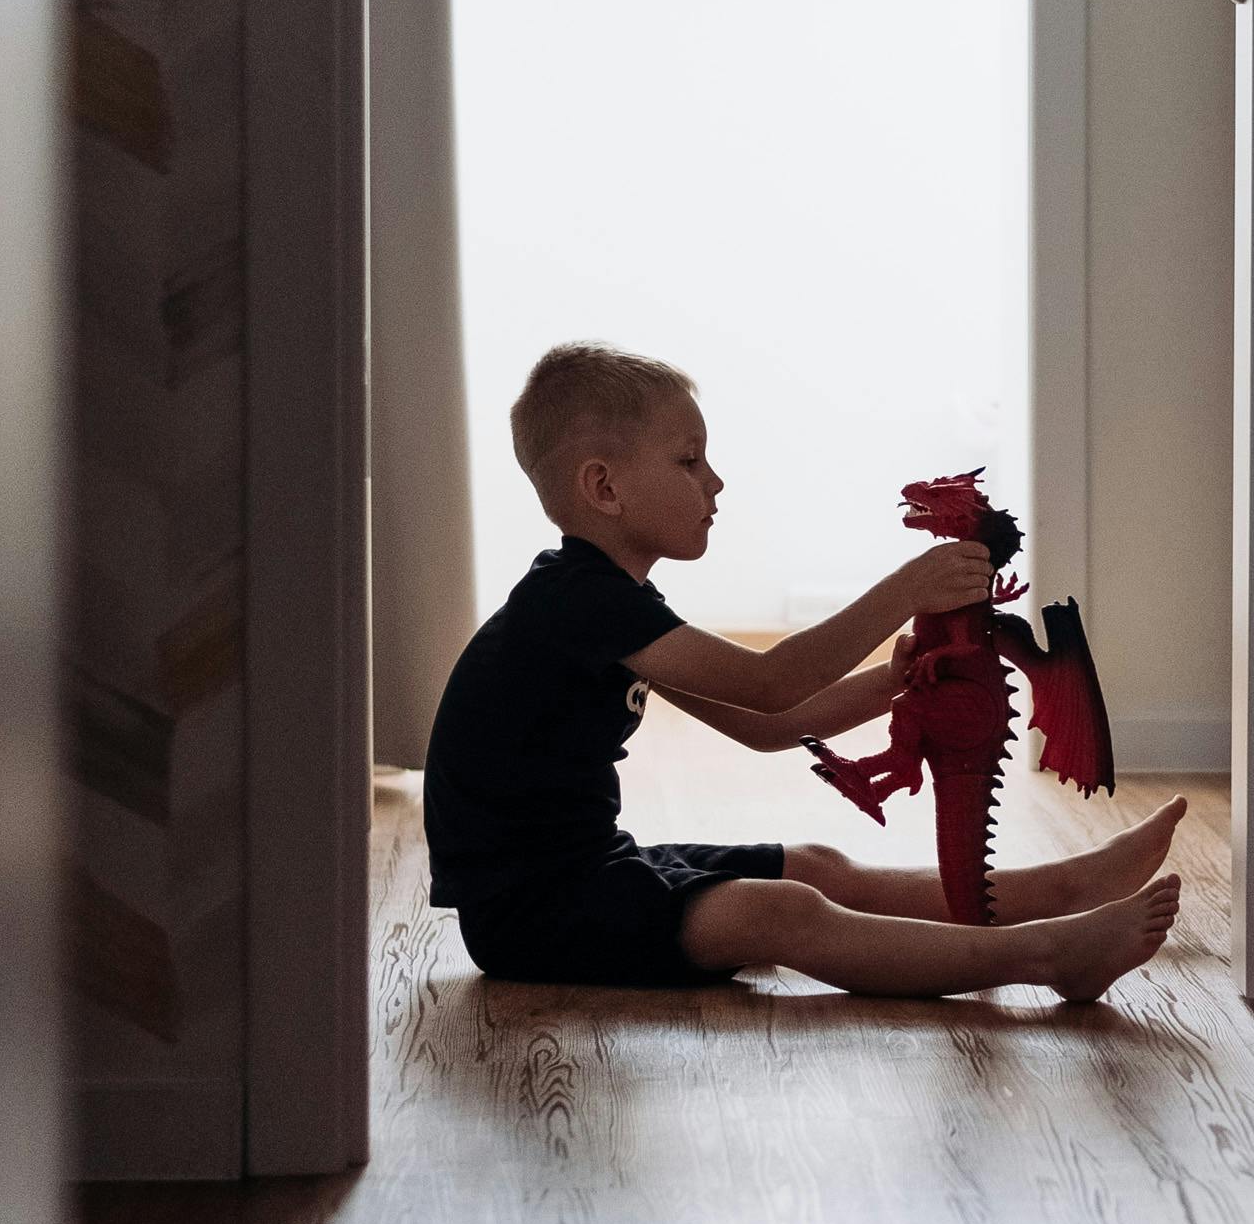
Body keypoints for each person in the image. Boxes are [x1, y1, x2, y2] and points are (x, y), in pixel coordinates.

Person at [423, 342, 1183, 1003]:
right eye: (689, 461)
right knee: (781, 913)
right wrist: (905, 591)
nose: (714, 482)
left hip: (585, 868)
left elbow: (768, 726)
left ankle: (1066, 890)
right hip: (533, 913)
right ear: (604, 488)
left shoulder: (603, 602)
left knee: (818, 868)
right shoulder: (578, 602)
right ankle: (1047, 956)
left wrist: (894, 681)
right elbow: (771, 682)